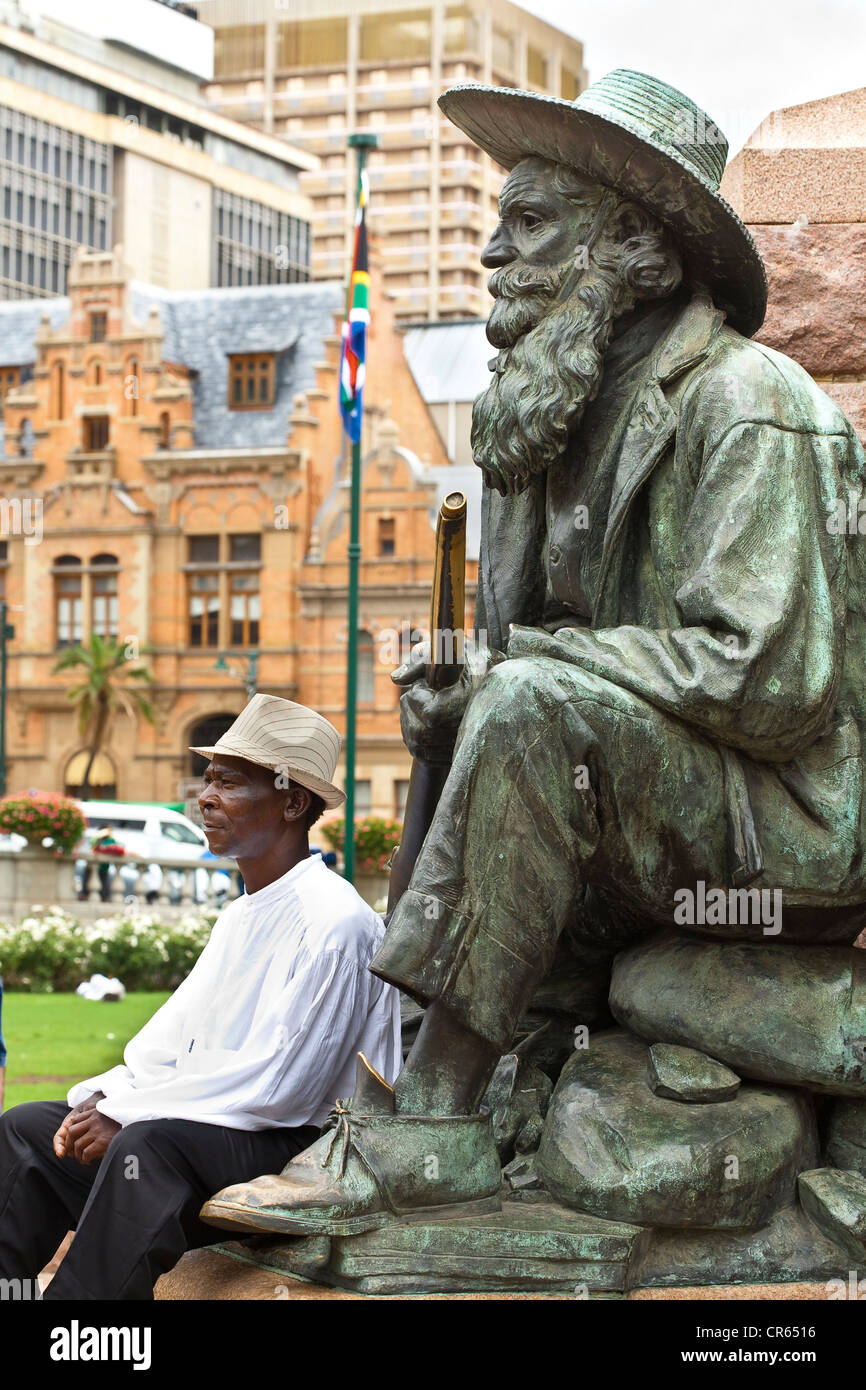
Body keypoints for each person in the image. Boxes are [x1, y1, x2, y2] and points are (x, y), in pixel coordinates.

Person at [201, 70, 866, 1238]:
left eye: (531, 226)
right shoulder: (532, 420)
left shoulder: (750, 403)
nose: (492, 258)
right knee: (482, 707)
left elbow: (764, 678)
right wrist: (452, 693)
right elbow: (511, 660)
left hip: (782, 830)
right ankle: (453, 1075)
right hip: (632, 798)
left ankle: (432, 1133)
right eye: (494, 227)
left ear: (640, 256)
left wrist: (536, 672)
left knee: (524, 705)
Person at [0, 693, 401, 1299]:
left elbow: (279, 1087)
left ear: (293, 801)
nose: (205, 797)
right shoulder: (243, 915)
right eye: (208, 779)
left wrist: (130, 1115)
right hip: (222, 1123)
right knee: (29, 1128)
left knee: (145, 1144)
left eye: (229, 783)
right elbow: (167, 1044)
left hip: (305, 1144)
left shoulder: (333, 921)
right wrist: (107, 1096)